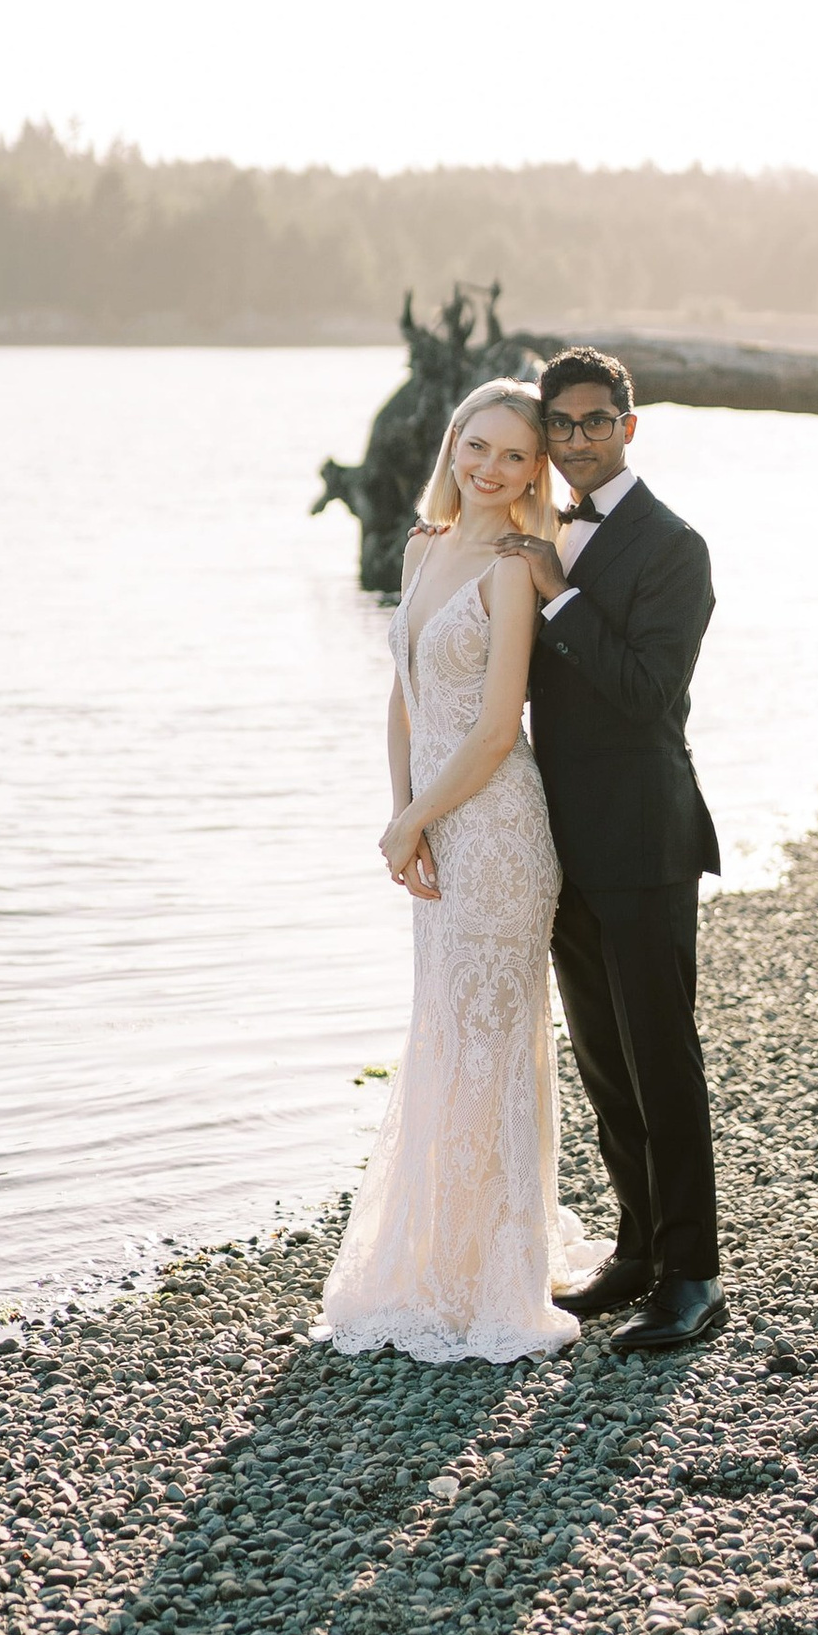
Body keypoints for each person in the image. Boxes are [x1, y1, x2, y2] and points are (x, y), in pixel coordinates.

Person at [318, 380, 610, 1364]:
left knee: (490, 1041)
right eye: (476, 446)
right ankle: (435, 1255)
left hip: (497, 828)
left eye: (514, 456)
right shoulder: (420, 545)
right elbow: (402, 698)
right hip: (437, 824)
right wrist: (401, 818)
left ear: (535, 472)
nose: (490, 468)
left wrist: (418, 819)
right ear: (452, 446)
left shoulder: (517, 566)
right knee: (442, 1029)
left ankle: (493, 1272)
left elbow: (494, 731)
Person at [517, 345, 727, 1356]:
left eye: (596, 421)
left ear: (629, 427)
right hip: (559, 842)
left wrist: (558, 595)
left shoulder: (672, 547)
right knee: (603, 1060)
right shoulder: (545, 529)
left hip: (644, 838)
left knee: (661, 1056)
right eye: (560, 425)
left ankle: (693, 1273)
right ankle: (638, 1247)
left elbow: (646, 691)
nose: (577, 441)